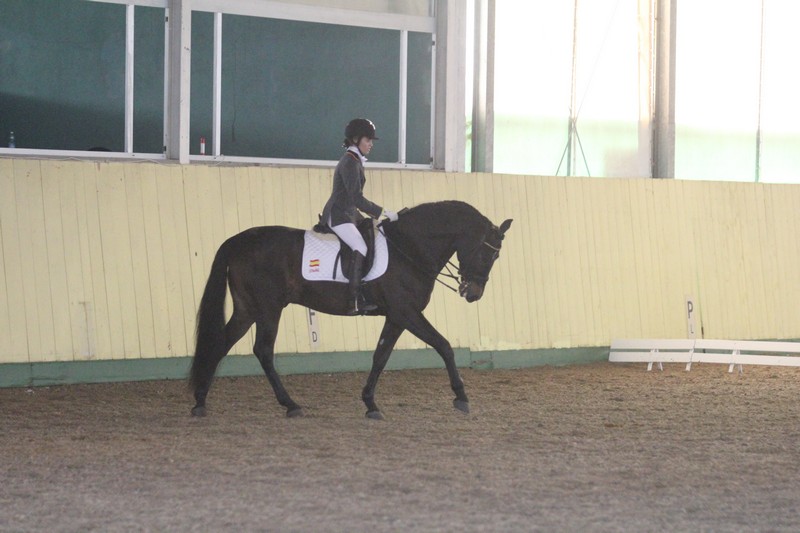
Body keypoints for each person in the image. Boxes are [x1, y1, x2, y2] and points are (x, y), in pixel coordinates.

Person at [321, 118, 398, 315]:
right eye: (368, 140)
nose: (371, 144)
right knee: (360, 246)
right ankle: (353, 299)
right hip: (339, 214)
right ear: (355, 139)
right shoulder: (349, 162)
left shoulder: (355, 161)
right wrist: (381, 212)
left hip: (349, 213)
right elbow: (356, 197)